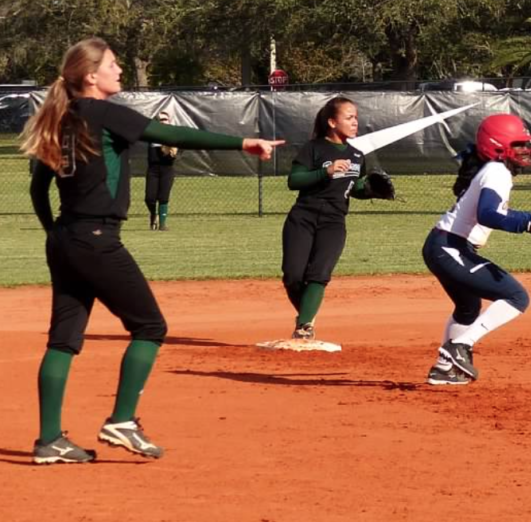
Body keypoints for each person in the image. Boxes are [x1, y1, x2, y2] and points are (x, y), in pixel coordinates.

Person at [21, 37, 283, 464]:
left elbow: (37, 188)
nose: (119, 70)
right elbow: (170, 133)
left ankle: (49, 439)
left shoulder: (59, 118)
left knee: (64, 340)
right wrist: (243, 143)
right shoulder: (105, 113)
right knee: (150, 327)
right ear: (91, 76)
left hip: (67, 238)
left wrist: (56, 232)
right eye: (112, 64)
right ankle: (122, 420)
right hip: (98, 239)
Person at [424, 113, 531, 385]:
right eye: (519, 144)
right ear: (498, 146)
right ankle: (458, 346)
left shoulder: (491, 170)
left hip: (443, 246)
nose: (526, 150)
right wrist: (527, 224)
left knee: (467, 307)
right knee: (516, 296)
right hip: (449, 247)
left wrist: (530, 217)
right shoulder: (497, 172)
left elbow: (493, 210)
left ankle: (444, 369)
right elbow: (488, 214)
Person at [282, 97, 395, 343]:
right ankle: (307, 314)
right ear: (332, 122)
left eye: (356, 117)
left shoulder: (356, 154)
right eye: (349, 117)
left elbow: (354, 187)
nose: (355, 122)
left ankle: (304, 326)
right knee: (292, 275)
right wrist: (326, 171)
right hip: (303, 217)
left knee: (319, 273)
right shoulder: (314, 148)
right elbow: (294, 181)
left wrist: (372, 190)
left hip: (334, 221)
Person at [145, 110, 178, 231]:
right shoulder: (151, 135)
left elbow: (172, 156)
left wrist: (171, 151)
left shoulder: (172, 136)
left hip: (167, 170)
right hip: (153, 170)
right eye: (161, 120)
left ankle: (162, 224)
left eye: (165, 119)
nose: (163, 122)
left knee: (163, 198)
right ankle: (153, 215)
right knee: (149, 198)